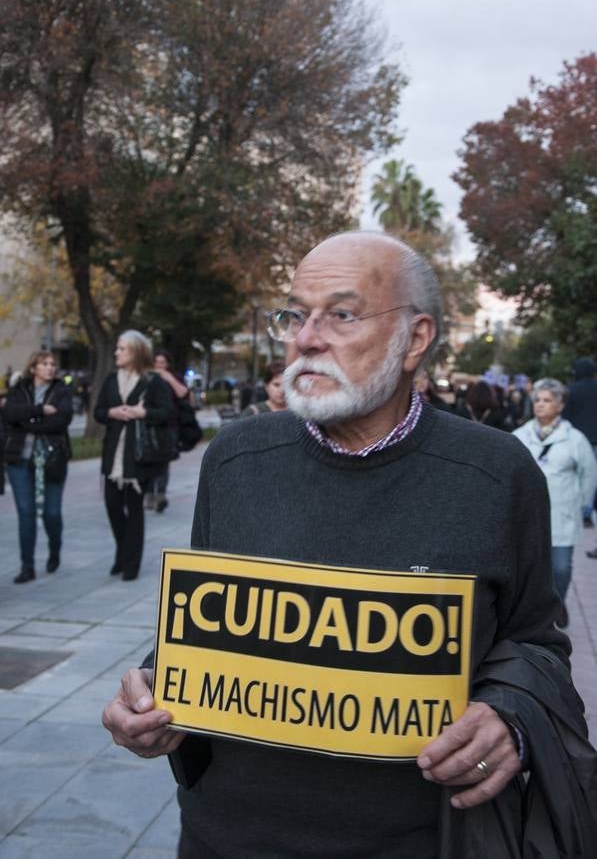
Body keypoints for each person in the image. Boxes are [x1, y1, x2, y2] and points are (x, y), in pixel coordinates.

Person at [102, 233, 597, 857]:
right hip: (226, 836)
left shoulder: (497, 473)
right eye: (294, 314)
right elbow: (210, 630)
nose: (306, 338)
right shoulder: (237, 458)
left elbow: (537, 645)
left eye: (341, 314)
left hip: (419, 839)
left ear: (415, 339)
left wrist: (508, 719)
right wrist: (148, 692)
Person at [513, 378, 597, 628]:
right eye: (537, 400)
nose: (540, 405)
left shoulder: (575, 439)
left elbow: (589, 475)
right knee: (527, 568)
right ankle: (533, 613)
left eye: (547, 400)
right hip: (527, 517)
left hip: (563, 515)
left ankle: (557, 603)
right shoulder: (519, 436)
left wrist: (579, 503)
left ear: (560, 406)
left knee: (560, 568)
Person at [94, 331, 172, 581]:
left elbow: (167, 413)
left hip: (138, 457)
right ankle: (122, 552)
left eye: (122, 348)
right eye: (117, 348)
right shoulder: (110, 380)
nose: (117, 352)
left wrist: (143, 412)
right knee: (113, 506)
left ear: (137, 351)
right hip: (113, 455)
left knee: (134, 510)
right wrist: (112, 412)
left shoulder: (153, 381)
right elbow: (98, 411)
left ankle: (131, 564)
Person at [3, 351, 73, 583]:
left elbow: (62, 420)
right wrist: (40, 411)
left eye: (53, 364)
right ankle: (27, 566)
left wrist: (27, 422)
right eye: (44, 364)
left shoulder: (62, 390)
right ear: (33, 368)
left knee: (52, 513)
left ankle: (55, 549)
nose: (50, 368)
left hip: (52, 460)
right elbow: (8, 413)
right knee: (26, 513)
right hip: (19, 461)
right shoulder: (20, 388)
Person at [145, 348, 189, 513]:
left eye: (162, 363)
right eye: (156, 363)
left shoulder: (173, 377)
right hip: (150, 425)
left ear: (168, 364)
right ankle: (149, 493)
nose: (159, 366)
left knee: (164, 460)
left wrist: (168, 378)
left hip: (170, 425)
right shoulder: (147, 378)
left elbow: (183, 393)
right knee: (149, 459)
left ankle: (161, 495)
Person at [562, 358, 597, 531]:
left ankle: (581, 510)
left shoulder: (571, 391)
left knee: (577, 478)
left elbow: (565, 418)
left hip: (577, 443)